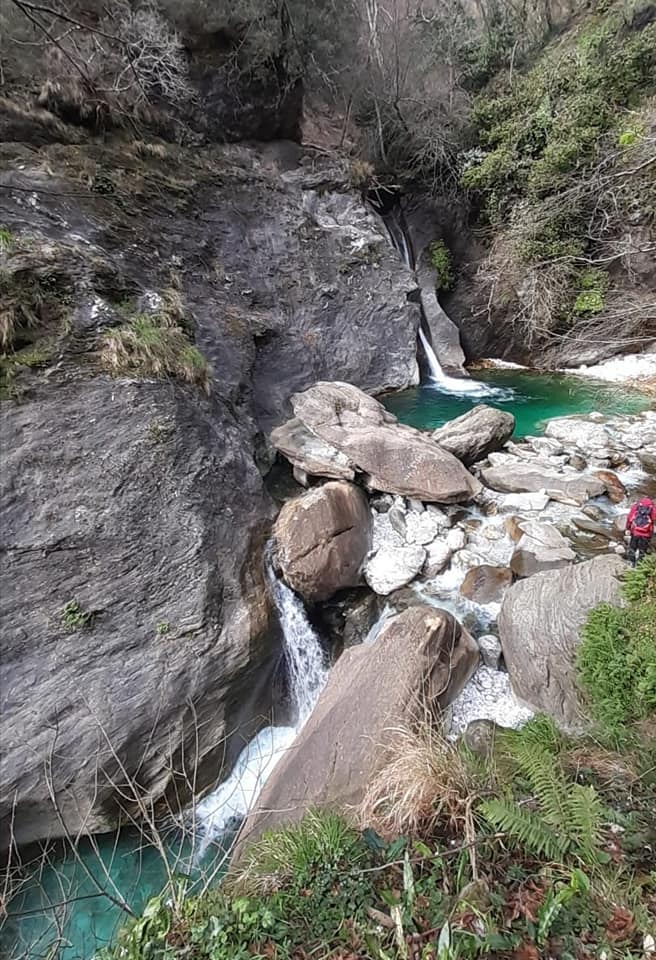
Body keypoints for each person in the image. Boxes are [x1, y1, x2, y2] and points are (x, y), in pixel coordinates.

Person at [625, 496, 656, 565]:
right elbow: (654, 519)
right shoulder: (652, 508)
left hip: (635, 531)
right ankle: (640, 565)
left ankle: (631, 562)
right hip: (646, 533)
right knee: (642, 550)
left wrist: (628, 528)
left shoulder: (636, 506)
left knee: (632, 548)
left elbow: (629, 518)